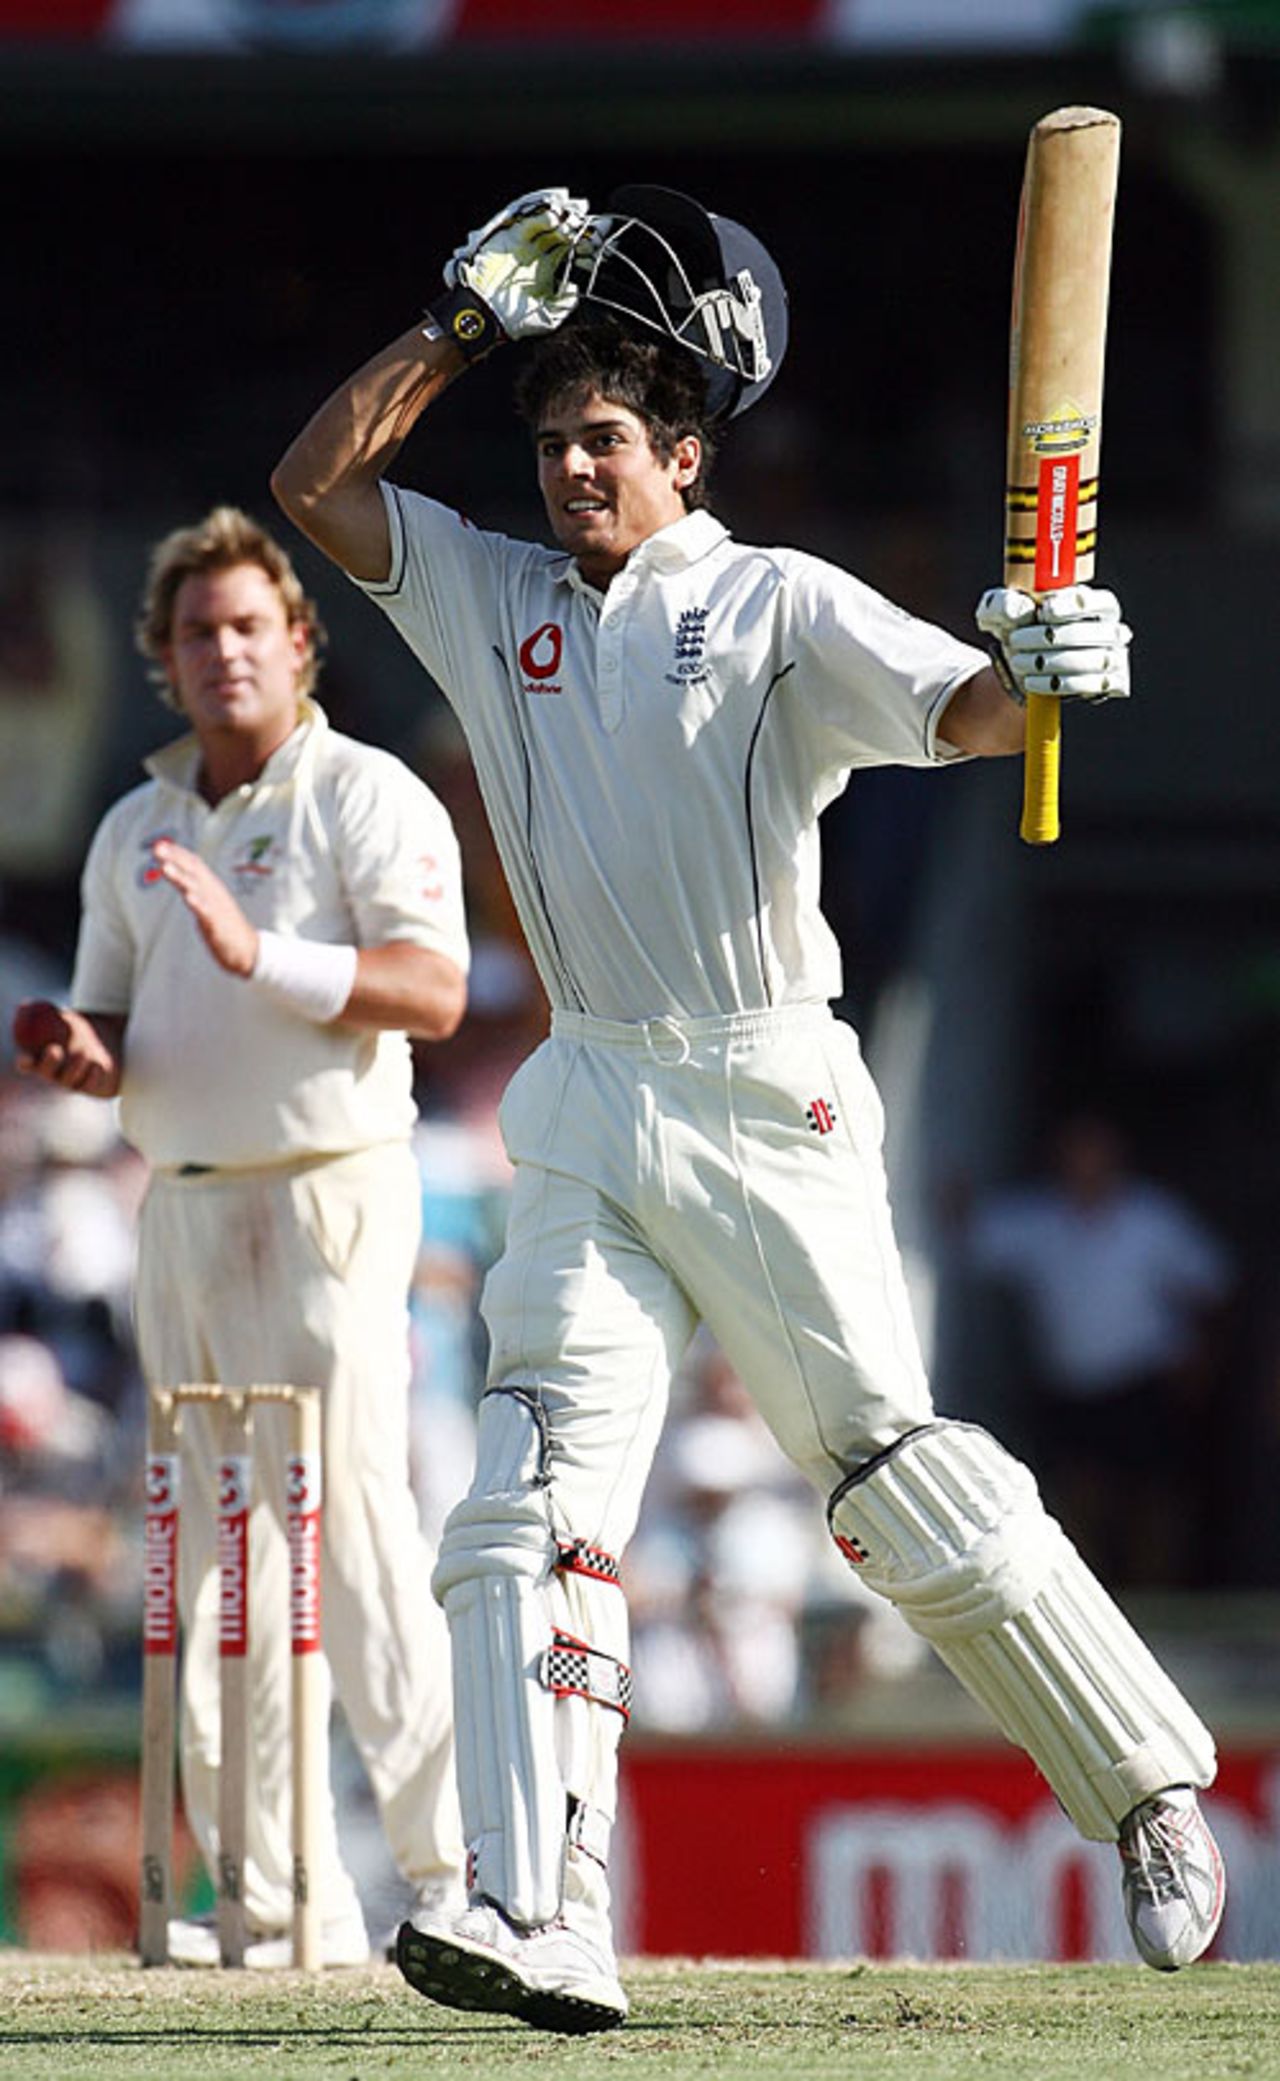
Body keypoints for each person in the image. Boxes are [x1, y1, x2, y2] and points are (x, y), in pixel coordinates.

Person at [271, 186, 1225, 2030]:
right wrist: (457, 331)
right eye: (549, 444)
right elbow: (318, 484)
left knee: (887, 1480)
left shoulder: (770, 602)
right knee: (530, 1501)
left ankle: (1147, 1787)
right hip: (590, 1090)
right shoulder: (498, 600)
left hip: (761, 1078)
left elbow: (959, 709)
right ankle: (541, 1908)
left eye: (603, 442)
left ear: (685, 454)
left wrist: (1046, 670)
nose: (567, 473)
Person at [12, 506, 470, 1967]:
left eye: (249, 628)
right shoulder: (136, 825)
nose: (224, 653)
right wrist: (71, 1047)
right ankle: (278, 1902)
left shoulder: (366, 795)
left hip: (330, 1186)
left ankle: (461, 1874)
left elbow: (435, 992)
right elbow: (114, 1020)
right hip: (187, 1201)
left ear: (299, 644)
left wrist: (255, 950)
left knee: (351, 1536)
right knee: (210, 1558)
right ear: (164, 658)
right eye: (198, 632)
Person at [963, 1109, 1233, 1587]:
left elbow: (1210, 1283)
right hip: (1070, 1387)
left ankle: (1155, 1594)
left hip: (1143, 1379)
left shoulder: (1152, 1217)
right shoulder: (1037, 1220)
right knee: (1080, 1494)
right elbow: (970, 1236)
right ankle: (1098, 1592)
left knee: (1152, 1498)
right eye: (1075, 1153)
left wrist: (1200, 1355)